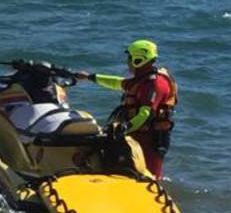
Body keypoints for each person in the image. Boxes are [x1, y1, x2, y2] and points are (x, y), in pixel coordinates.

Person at [75, 39, 177, 178]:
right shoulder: (141, 79)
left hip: (151, 140)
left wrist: (125, 128)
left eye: (130, 57)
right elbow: (117, 83)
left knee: (150, 176)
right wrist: (91, 77)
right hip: (137, 134)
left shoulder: (155, 84)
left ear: (139, 59)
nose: (128, 61)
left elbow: (146, 113)